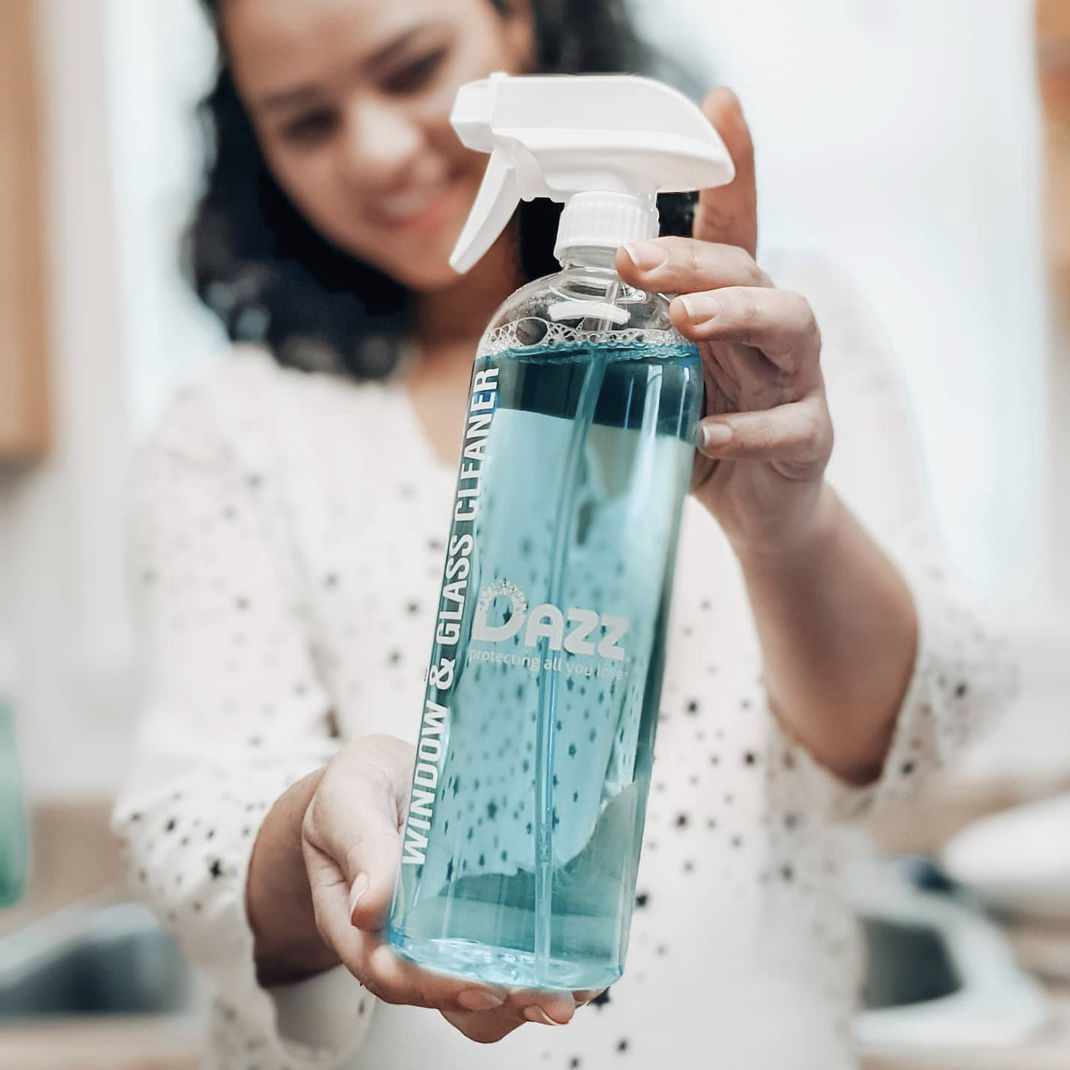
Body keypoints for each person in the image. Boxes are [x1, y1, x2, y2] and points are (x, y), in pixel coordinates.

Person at [112, 1, 1013, 1067]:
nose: (377, 150)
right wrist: (314, 819)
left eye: (411, 68)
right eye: (307, 121)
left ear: (521, 21)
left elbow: (916, 742)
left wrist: (787, 525)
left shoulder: (765, 346)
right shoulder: (233, 426)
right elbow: (190, 824)